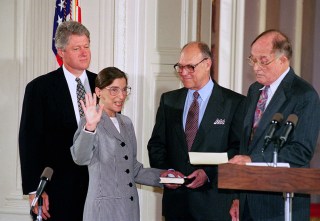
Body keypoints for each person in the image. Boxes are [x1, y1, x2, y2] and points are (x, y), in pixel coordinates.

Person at [148, 41, 245, 221]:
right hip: (176, 206)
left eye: (190, 67)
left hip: (215, 205)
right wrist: (167, 171)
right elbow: (157, 144)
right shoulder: (169, 100)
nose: (183, 72)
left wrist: (208, 174)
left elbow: (237, 150)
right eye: (180, 67)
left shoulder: (235, 103)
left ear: (207, 64)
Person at [229, 29, 320, 221]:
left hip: (280, 205)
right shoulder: (254, 90)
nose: (255, 67)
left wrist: (252, 160)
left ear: (283, 60)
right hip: (247, 201)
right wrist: (237, 196)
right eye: (252, 60)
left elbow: (300, 151)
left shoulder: (304, 95)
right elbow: (246, 144)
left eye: (263, 61)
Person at [19, 21, 96, 221]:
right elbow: (30, 141)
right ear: (61, 52)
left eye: (86, 46)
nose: (84, 53)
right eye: (76, 48)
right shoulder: (39, 88)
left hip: (99, 189)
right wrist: (35, 189)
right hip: (58, 191)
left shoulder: (102, 84)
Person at [70, 67, 163, 221]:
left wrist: (164, 177)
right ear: (98, 92)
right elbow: (80, 158)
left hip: (129, 210)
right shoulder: (89, 122)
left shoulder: (126, 123)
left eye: (124, 89)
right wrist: (90, 127)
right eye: (114, 90)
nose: (121, 96)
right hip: (103, 212)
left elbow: (132, 169)